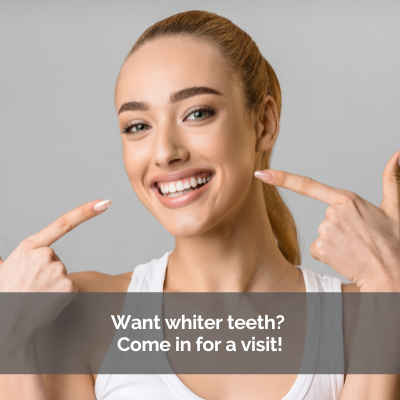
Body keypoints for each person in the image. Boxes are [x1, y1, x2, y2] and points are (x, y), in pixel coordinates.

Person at [1, 10, 399, 400]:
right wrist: (9, 339)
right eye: (138, 126)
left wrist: (389, 281)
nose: (164, 153)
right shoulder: (83, 313)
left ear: (264, 123)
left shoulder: (365, 313)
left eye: (197, 113)